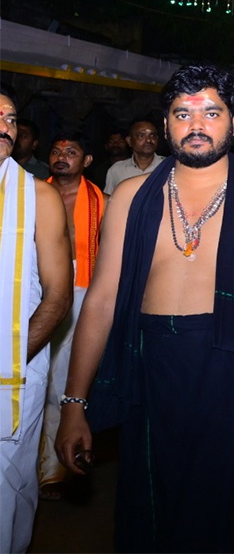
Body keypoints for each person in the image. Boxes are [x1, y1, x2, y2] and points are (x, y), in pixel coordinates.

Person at [55, 65, 234, 552]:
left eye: (211, 112)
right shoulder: (129, 197)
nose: (196, 124)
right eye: (182, 113)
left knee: (217, 515)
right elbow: (101, 302)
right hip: (151, 369)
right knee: (146, 512)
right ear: (166, 125)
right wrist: (74, 405)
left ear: (233, 124)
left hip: (233, 373)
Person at [0, 93, 71, 554]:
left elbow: (59, 296)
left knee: (8, 493)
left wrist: (8, 361)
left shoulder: (38, 196)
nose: (5, 125)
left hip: (12, 376)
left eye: (10, 117)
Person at [38, 132, 106, 496]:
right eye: (56, 150)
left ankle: (54, 468)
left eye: (71, 152)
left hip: (82, 291)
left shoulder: (104, 202)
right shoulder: (30, 194)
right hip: (37, 289)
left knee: (64, 380)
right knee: (36, 375)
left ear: (87, 161)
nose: (61, 157)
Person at [103, 117, 163, 195]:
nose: (148, 140)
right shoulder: (117, 170)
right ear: (129, 141)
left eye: (152, 136)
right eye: (141, 136)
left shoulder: (168, 166)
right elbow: (109, 201)